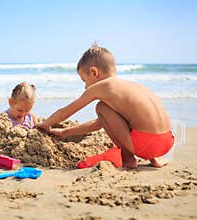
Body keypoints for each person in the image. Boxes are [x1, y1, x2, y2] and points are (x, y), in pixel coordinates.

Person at [35, 44, 174, 169]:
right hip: (166, 142)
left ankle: (128, 159)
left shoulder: (102, 87)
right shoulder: (129, 86)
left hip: (145, 145)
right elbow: (99, 124)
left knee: (101, 107)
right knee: (121, 114)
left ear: (94, 72)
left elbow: (66, 111)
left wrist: (46, 124)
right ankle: (154, 160)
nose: (85, 86)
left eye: (84, 80)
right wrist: (65, 132)